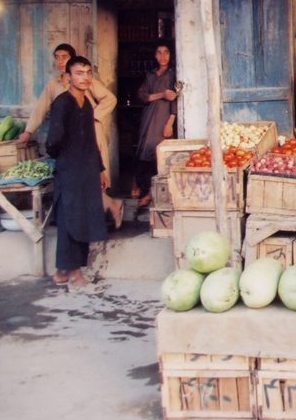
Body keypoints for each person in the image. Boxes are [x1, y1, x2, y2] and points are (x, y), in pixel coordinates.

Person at [17, 43, 123, 228]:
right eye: (57, 57)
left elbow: (110, 98)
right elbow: (41, 108)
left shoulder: (84, 79)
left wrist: (92, 117)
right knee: (81, 179)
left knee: (92, 176)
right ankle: (104, 211)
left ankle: (102, 213)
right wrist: (28, 131)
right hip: (70, 142)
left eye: (64, 57)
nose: (60, 61)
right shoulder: (54, 85)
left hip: (89, 134)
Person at [46, 56, 108, 294]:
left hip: (87, 170)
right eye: (79, 73)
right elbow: (53, 141)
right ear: (68, 77)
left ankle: (62, 273)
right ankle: (75, 277)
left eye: (88, 73)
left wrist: (100, 170)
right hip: (69, 170)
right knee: (70, 219)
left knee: (81, 218)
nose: (84, 77)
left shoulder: (88, 104)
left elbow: (92, 142)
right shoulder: (63, 102)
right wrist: (65, 158)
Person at [134, 41, 177, 207]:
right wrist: (161, 94)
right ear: (155, 55)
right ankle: (140, 185)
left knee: (158, 153)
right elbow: (142, 96)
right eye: (159, 52)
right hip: (149, 116)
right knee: (143, 149)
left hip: (164, 116)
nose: (163, 56)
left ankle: (153, 193)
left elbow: (174, 100)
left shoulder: (173, 74)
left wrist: (170, 123)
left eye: (166, 52)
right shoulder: (150, 74)